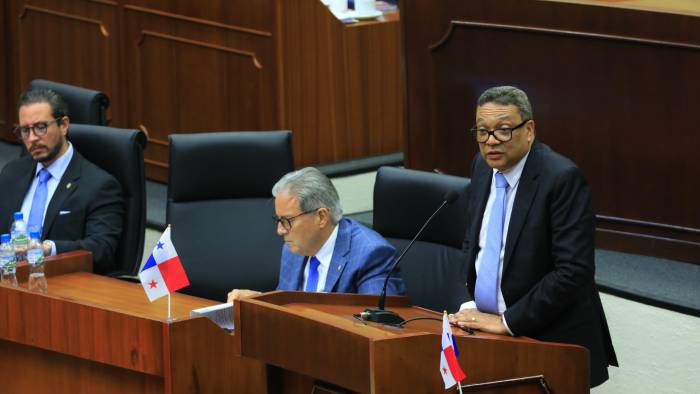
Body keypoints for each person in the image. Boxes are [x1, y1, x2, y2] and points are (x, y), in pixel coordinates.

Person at [448, 86, 617, 387]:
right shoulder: (482, 167)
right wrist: (469, 302)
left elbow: (572, 272)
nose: (490, 142)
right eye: (482, 132)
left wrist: (506, 321)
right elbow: (474, 243)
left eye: (502, 130)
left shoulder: (561, 178)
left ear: (529, 129)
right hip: (486, 332)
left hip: (546, 336)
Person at [228, 167, 405, 301]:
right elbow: (289, 310)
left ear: (321, 217)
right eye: (278, 220)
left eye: (287, 220)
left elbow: (379, 328)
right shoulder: (292, 251)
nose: (280, 230)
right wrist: (259, 303)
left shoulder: (371, 255)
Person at [0, 88, 124, 273]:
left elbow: (101, 249)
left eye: (41, 127)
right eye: (25, 130)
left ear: (64, 125)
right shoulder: (12, 173)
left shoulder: (99, 185)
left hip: (61, 284)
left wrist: (48, 249)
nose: (32, 138)